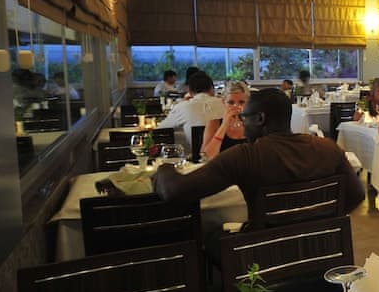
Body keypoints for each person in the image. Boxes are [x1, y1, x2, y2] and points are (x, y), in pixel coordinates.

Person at [155, 88, 364, 215]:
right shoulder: (327, 147)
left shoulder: (245, 156)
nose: (242, 124)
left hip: (262, 254)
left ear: (260, 118)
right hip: (321, 247)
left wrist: (164, 168)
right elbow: (357, 195)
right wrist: (322, 220)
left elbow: (175, 191)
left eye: (244, 118)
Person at [157, 71, 225, 151]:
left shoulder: (182, 106)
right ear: (212, 89)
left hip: (199, 156)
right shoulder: (225, 104)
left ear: (189, 91)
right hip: (228, 154)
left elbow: (161, 129)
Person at [202, 81, 250, 161]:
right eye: (231, 102)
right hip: (222, 167)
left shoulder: (254, 124)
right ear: (223, 102)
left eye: (241, 102)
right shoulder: (214, 124)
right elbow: (206, 157)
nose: (236, 106)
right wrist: (224, 125)